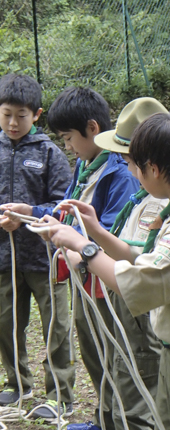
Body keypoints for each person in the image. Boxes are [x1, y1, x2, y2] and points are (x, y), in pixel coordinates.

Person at [37, 112, 170, 429]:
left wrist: (84, 246)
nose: (131, 171)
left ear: (154, 170)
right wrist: (98, 233)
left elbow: (139, 281)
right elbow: (144, 258)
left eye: (134, 164)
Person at [2, 87, 139, 430]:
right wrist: (33, 213)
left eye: (68, 137)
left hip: (105, 282)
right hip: (85, 281)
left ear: (92, 129)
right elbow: (67, 212)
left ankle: (122, 422)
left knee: (118, 356)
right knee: (95, 352)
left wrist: (76, 243)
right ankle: (104, 419)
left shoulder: (118, 174)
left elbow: (111, 234)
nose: (67, 146)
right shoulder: (86, 164)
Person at [58, 97, 170, 430]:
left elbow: (143, 267)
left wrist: (85, 247)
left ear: (150, 165)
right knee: (108, 358)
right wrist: (87, 234)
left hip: (133, 302)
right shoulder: (140, 191)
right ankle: (108, 422)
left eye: (128, 159)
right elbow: (126, 244)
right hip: (112, 290)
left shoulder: (163, 204)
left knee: (135, 371)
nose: (124, 165)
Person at [0, 74, 75, 420]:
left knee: (55, 328)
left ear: (37, 114)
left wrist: (26, 219)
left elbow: (64, 206)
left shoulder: (50, 153)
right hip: (4, 260)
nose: (13, 123)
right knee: (6, 324)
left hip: (45, 260)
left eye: (21, 115)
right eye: (6, 114)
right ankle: (18, 384)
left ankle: (59, 396)